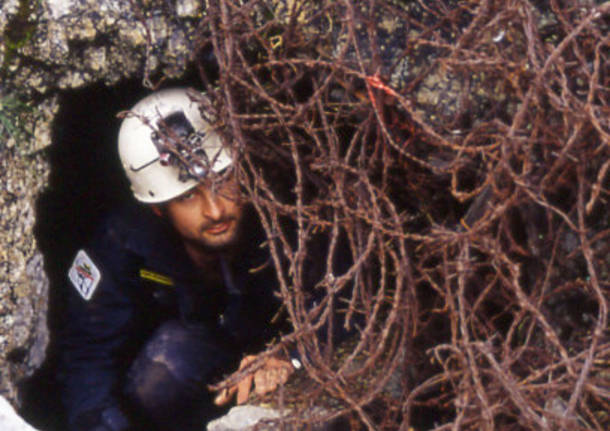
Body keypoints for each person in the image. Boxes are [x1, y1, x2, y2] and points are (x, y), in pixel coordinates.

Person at [57, 88, 297, 431]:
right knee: (162, 370)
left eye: (222, 181)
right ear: (157, 208)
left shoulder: (284, 209)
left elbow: (347, 297)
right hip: (192, 367)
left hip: (271, 345)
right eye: (187, 197)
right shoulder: (121, 244)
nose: (215, 210)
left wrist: (291, 354)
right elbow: (88, 359)